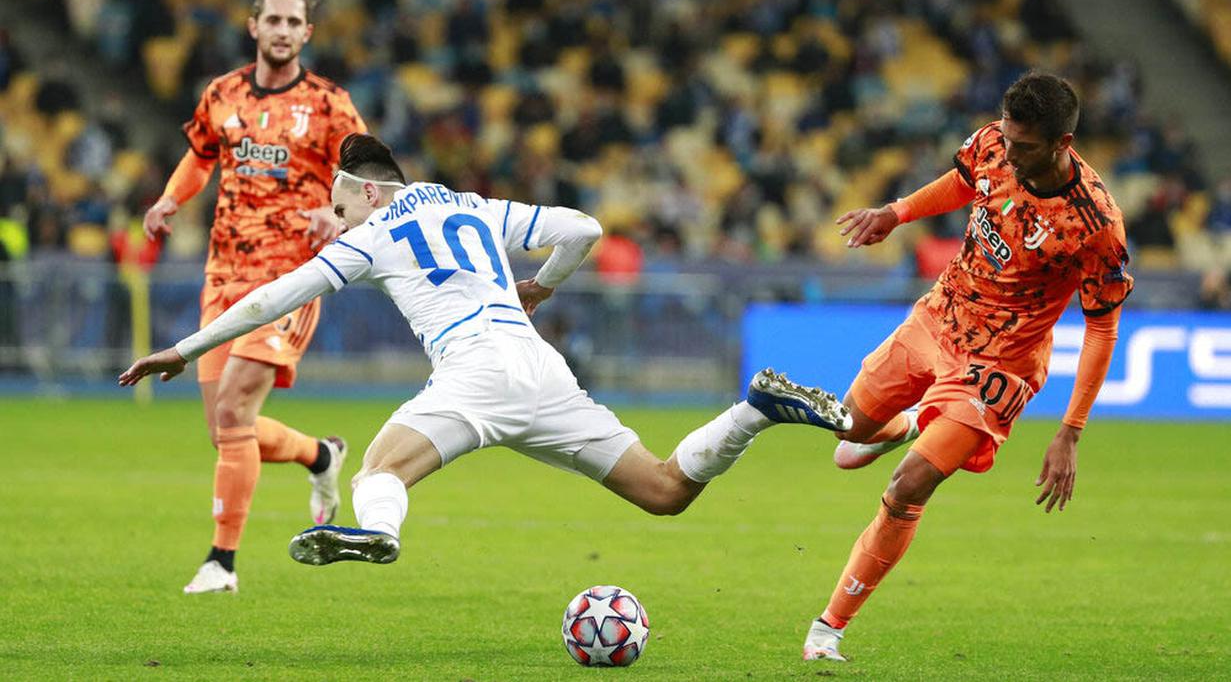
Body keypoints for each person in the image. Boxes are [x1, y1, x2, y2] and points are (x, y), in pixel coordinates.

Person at [120, 133, 854, 571]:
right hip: (538, 367)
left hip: (472, 371)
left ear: (369, 196)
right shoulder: (472, 206)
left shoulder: (372, 234)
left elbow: (270, 298)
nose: (335, 225)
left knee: (379, 469)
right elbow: (585, 227)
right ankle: (754, 411)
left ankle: (378, 532)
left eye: (339, 210)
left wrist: (183, 349)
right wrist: (541, 287)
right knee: (662, 491)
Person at [802, 72, 1133, 661]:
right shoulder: (992, 145)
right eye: (1006, 138)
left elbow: (1102, 327)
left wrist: (1071, 430)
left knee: (908, 486)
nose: (1009, 153)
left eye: (1025, 146)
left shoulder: (1095, 225)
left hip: (997, 367)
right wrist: (896, 213)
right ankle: (904, 425)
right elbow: (963, 182)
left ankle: (828, 628)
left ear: (1064, 142)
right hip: (938, 316)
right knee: (845, 431)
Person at [141, 0, 368, 594]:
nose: (283, 30)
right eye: (274, 20)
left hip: (291, 279)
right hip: (223, 275)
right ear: (254, 26)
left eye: (295, 22)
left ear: (307, 33)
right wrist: (168, 199)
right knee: (226, 430)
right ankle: (321, 457)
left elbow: (370, 178)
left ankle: (222, 563)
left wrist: (336, 211)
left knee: (237, 410)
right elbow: (199, 156)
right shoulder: (223, 93)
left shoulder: (329, 104)